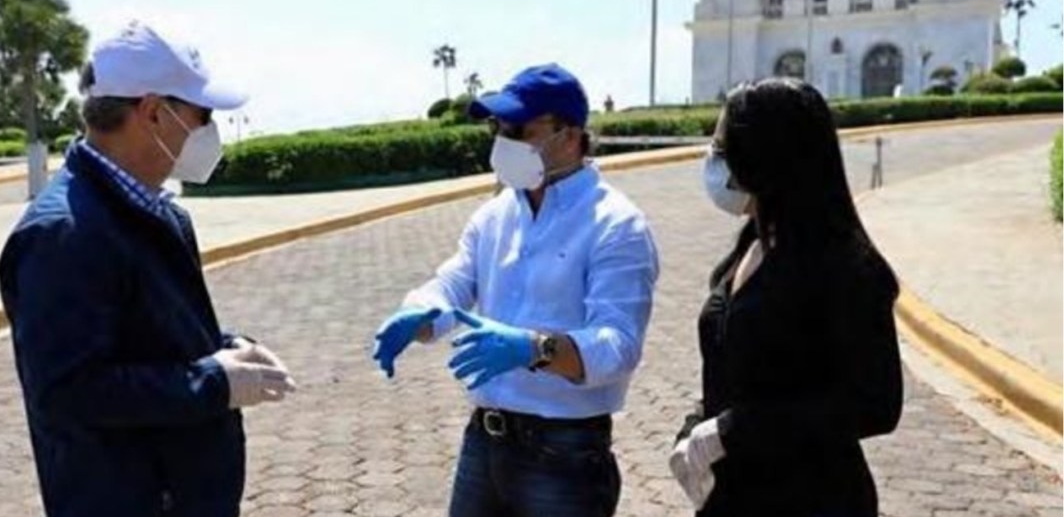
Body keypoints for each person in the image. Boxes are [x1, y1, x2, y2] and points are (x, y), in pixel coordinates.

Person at [0, 22, 296, 517]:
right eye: (201, 115)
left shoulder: (157, 209)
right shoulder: (63, 234)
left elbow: (151, 333)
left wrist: (226, 350)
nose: (208, 131)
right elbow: (69, 389)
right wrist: (214, 383)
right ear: (154, 112)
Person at [372, 63, 660, 517]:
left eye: (518, 129)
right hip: (484, 442)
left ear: (569, 135)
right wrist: (422, 312)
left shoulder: (616, 224)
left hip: (564, 453)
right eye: (497, 127)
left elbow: (618, 345)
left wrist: (534, 348)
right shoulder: (497, 214)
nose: (502, 141)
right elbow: (456, 281)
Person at [670, 78, 903, 516]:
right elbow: (737, 367)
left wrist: (734, 430)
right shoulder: (750, 245)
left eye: (723, 146)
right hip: (733, 495)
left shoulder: (845, 267)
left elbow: (875, 404)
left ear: (765, 156)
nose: (714, 159)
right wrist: (695, 426)